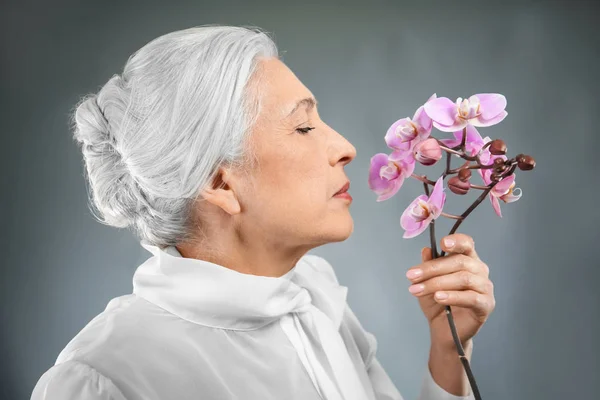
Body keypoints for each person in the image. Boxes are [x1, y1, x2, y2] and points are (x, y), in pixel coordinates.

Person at [31, 25, 495, 400]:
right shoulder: (103, 381)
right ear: (219, 183)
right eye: (303, 126)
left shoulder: (315, 297)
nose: (346, 148)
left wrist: (449, 348)